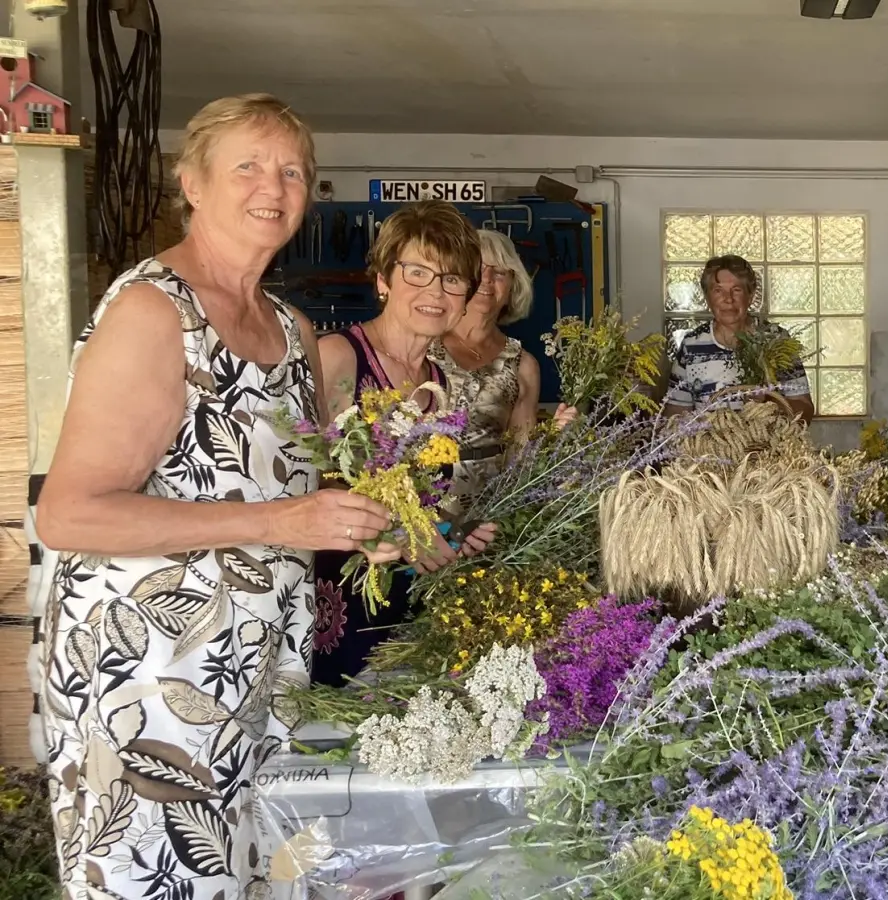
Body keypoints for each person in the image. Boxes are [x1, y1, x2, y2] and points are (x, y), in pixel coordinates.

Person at [32, 94, 400, 899]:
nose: (274, 185)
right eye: (249, 166)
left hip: (258, 669)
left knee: (257, 880)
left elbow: (279, 484)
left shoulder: (294, 331)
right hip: (149, 684)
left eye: (293, 170)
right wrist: (285, 521)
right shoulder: (153, 312)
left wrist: (353, 524)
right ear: (192, 183)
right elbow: (69, 513)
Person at [310, 201, 495, 686]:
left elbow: (428, 499)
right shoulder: (339, 357)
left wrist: (456, 534)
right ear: (383, 280)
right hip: (341, 593)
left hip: (409, 600)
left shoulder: (437, 381)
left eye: (453, 279)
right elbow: (309, 478)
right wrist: (403, 533)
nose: (435, 292)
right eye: (417, 272)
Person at [432, 229, 575, 510]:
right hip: (417, 503)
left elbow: (520, 458)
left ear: (512, 285)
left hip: (488, 509)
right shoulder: (422, 345)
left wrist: (552, 438)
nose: (486, 280)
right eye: (477, 270)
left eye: (499, 272)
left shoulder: (522, 364)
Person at [662, 255, 816, 421]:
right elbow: (674, 414)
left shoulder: (776, 341)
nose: (728, 299)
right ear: (707, 298)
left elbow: (805, 411)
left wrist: (769, 401)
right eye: (718, 290)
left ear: (750, 296)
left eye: (736, 290)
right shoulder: (691, 346)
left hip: (766, 445)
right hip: (711, 446)